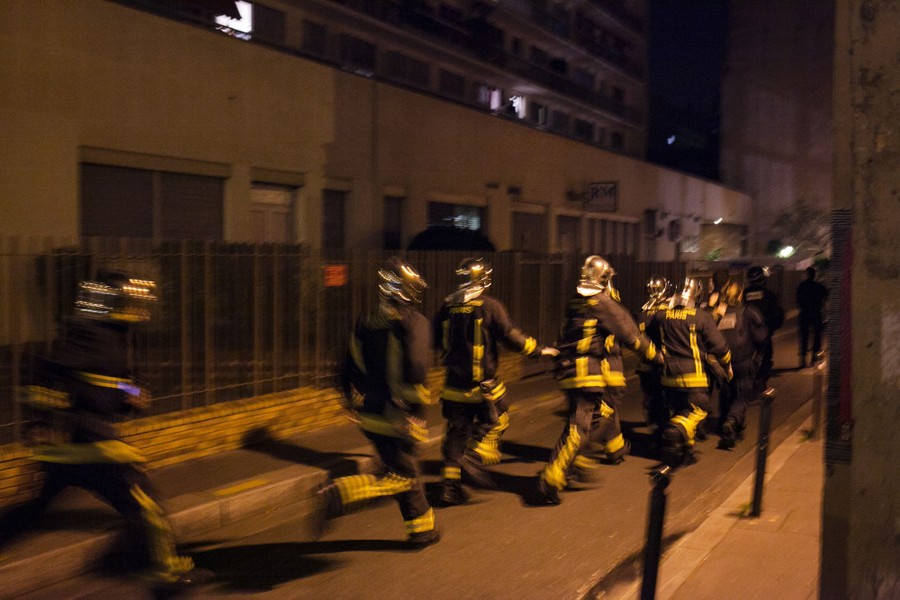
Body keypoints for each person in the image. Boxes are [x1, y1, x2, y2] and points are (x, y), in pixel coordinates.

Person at [0, 271, 209, 591]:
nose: (137, 307)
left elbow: (116, 379)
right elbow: (45, 372)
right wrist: (47, 419)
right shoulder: (93, 335)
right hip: (93, 443)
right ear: (113, 302)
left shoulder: (113, 335)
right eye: (130, 300)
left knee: (33, 512)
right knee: (145, 504)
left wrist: (134, 394)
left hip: (74, 448)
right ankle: (164, 574)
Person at [315, 257, 440, 547]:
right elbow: (417, 368)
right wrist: (416, 412)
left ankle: (422, 530)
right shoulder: (415, 322)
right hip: (399, 416)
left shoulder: (365, 322)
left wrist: (350, 402)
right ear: (408, 289)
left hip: (370, 414)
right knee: (402, 476)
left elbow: (344, 368)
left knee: (405, 472)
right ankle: (339, 494)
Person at [535, 256, 663, 504]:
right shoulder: (602, 302)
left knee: (596, 418)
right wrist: (655, 356)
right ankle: (551, 479)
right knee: (578, 428)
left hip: (569, 370)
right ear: (605, 279)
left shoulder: (575, 301)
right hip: (586, 372)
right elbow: (631, 334)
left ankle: (577, 463)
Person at [433, 257, 557, 506]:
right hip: (482, 385)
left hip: (452, 386)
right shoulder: (489, 306)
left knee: (456, 433)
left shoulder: (446, 306)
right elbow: (512, 338)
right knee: (499, 419)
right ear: (482, 279)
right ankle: (473, 455)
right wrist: (540, 351)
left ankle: (450, 488)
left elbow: (436, 340)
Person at [647, 277, 732, 467]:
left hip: (668, 376)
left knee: (681, 410)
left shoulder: (662, 316)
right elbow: (720, 346)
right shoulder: (701, 317)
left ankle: (686, 450)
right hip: (694, 376)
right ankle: (674, 430)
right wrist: (727, 365)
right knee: (699, 410)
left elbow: (650, 337)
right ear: (696, 295)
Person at [712, 282, 768, 449]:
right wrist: (759, 358)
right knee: (742, 396)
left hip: (723, 362)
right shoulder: (748, 312)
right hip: (744, 361)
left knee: (726, 393)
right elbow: (761, 337)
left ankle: (729, 424)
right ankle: (732, 420)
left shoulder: (718, 315)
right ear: (739, 295)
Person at [636, 275, 672, 443]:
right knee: (665, 399)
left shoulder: (642, 311)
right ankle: (664, 433)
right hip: (664, 362)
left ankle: (654, 429)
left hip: (645, 364)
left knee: (650, 399)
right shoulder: (668, 310)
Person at [742, 266, 784, 395]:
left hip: (747, 334)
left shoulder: (744, 294)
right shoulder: (769, 295)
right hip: (763, 333)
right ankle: (761, 386)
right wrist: (771, 328)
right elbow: (776, 314)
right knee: (765, 359)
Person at [796, 266, 829, 368]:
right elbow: (826, 295)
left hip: (805, 313)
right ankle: (814, 358)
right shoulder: (818, 286)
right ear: (814, 275)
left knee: (804, 336)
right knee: (817, 337)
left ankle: (802, 359)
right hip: (816, 313)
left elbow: (798, 299)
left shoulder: (802, 286)